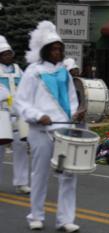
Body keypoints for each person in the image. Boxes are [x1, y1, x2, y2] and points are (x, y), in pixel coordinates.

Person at [15, 21, 84, 232]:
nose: (57, 52)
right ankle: (36, 215)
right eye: (53, 48)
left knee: (69, 175)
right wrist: (38, 115)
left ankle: (65, 219)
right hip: (40, 131)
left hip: (64, 130)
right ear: (44, 50)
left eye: (60, 48)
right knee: (40, 174)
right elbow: (20, 102)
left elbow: (71, 99)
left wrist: (75, 113)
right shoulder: (33, 72)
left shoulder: (64, 72)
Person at [0, 35, 31, 194]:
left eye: (9, 53)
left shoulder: (19, 69)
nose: (8, 56)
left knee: (22, 148)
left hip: (18, 115)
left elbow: (27, 87)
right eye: (4, 54)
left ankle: (21, 182)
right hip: (1, 115)